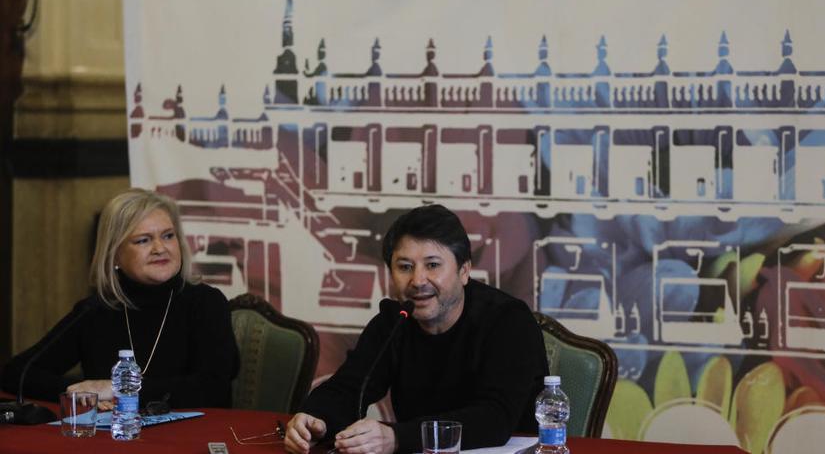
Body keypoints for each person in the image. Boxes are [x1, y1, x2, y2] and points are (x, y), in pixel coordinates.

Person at [285, 204, 548, 454]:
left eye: (432, 265)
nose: (418, 280)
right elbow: (349, 388)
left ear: (464, 270)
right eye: (405, 267)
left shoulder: (508, 320)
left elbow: (494, 420)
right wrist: (315, 418)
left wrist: (396, 438)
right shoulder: (394, 321)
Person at [0, 188, 240, 410]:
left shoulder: (206, 303)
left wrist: (119, 389)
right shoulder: (95, 311)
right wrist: (84, 393)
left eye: (168, 236)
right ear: (114, 254)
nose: (160, 248)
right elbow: (16, 373)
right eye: (143, 240)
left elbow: (213, 389)